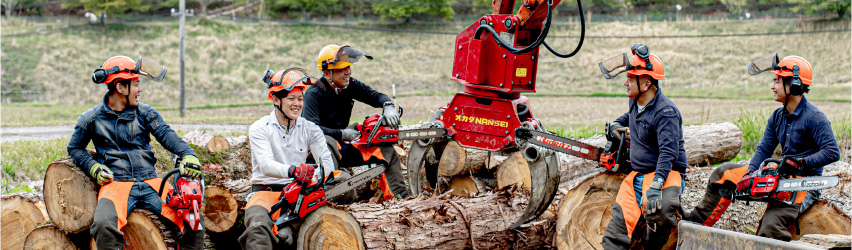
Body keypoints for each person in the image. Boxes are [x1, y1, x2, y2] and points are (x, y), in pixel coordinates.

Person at [685, 54, 839, 241]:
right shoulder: (777, 117)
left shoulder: (815, 117)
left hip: (803, 183)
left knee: (770, 227)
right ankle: (691, 226)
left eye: (776, 81)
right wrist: (750, 172)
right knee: (722, 175)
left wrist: (799, 163)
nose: (772, 86)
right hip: (780, 172)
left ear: (794, 84)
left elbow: (832, 152)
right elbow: (764, 149)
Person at [67, 56, 204, 249]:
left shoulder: (146, 113)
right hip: (115, 184)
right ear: (120, 87)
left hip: (150, 181)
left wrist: (188, 154)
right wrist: (94, 167)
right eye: (136, 84)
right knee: (103, 225)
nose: (140, 90)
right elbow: (74, 148)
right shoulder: (90, 118)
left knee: (193, 219)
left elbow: (167, 135)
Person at [239, 68, 356, 249]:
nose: (297, 104)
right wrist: (293, 171)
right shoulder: (260, 128)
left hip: (301, 192)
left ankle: (289, 226)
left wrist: (317, 175)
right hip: (266, 192)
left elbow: (326, 163)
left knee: (343, 183)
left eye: (300, 99)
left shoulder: (310, 129)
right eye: (291, 98)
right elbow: (265, 165)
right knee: (257, 226)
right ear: (276, 100)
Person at [599, 44, 688, 250]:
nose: (625, 83)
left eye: (630, 79)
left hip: (665, 172)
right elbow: (628, 117)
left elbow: (669, 153)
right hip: (637, 175)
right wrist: (616, 125)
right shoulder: (636, 101)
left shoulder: (666, 112)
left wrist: (657, 184)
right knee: (617, 228)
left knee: (662, 213)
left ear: (647, 83)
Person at [303, 44, 411, 199]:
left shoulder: (349, 85)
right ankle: (331, 196)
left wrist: (388, 105)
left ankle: (400, 197)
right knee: (326, 141)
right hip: (319, 152)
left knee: (386, 150)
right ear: (327, 73)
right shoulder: (314, 94)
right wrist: (342, 133)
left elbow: (374, 96)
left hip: (343, 146)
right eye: (342, 68)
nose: (348, 72)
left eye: (349, 67)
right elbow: (310, 130)